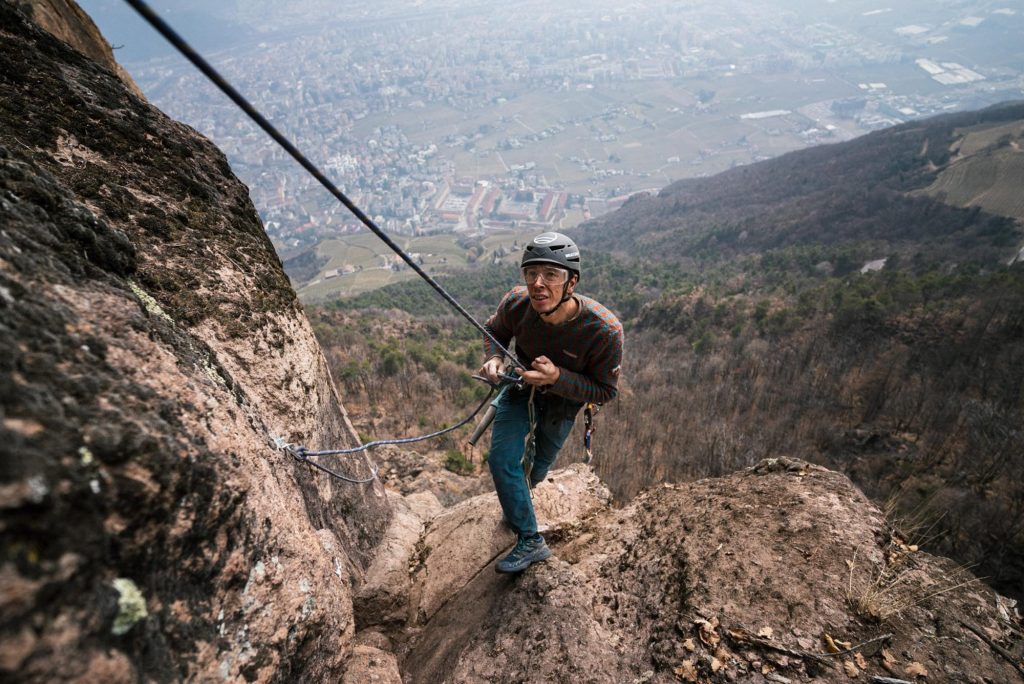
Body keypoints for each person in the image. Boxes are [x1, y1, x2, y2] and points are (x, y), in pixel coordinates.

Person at [478, 232, 623, 573]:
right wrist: (496, 358)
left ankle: (519, 501)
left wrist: (558, 378)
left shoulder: (603, 330)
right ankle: (531, 541)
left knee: (539, 465)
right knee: (502, 459)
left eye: (550, 275)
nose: (538, 284)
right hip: (521, 386)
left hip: (564, 402)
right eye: (531, 273)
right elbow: (493, 331)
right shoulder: (517, 303)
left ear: (571, 282)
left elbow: (605, 390)